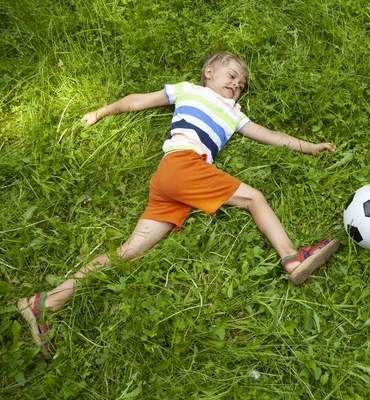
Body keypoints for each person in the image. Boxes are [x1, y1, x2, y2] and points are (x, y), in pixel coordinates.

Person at [18, 51, 340, 359]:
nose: (236, 85)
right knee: (254, 197)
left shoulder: (235, 113)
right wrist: (102, 112)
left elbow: (270, 134)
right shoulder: (189, 90)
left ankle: (44, 302)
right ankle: (291, 258)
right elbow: (139, 100)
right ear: (208, 72)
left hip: (171, 185)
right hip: (183, 164)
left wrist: (310, 147)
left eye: (241, 85)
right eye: (232, 75)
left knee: (128, 251)